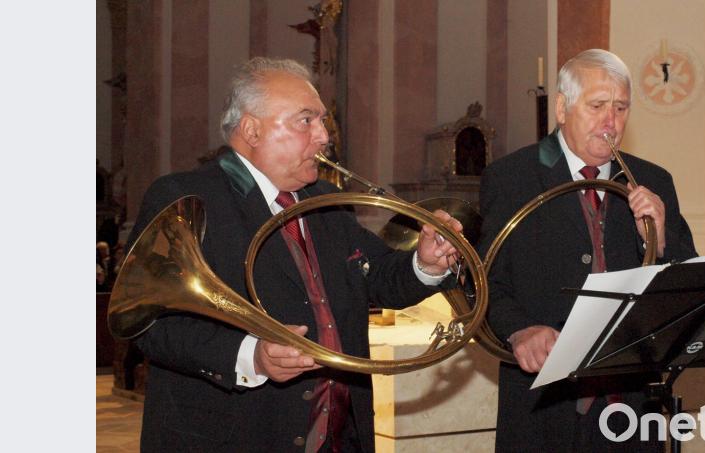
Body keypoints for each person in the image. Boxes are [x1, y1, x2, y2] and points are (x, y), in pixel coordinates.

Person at [126, 57, 463, 452]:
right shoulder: (186, 198)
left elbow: (380, 277)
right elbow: (148, 324)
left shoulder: (325, 200)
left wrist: (425, 263)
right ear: (252, 128)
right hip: (236, 436)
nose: (323, 136)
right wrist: (251, 356)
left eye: (322, 122)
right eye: (306, 121)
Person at [478, 49, 697, 451]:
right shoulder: (511, 177)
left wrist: (659, 238)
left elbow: (686, 293)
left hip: (632, 408)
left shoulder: (654, 180)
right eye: (597, 106)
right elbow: (486, 283)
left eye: (620, 107)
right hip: (545, 407)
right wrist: (519, 330)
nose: (610, 122)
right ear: (562, 108)